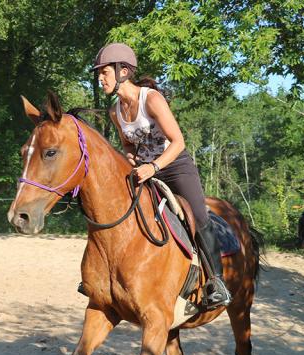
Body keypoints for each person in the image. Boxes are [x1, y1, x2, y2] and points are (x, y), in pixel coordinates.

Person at [90, 42, 231, 308]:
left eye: (104, 72)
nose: (100, 78)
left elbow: (178, 142)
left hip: (175, 166)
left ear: (123, 71)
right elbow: (129, 144)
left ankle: (216, 282)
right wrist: (131, 158)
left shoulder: (151, 98)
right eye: (99, 73)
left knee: (198, 216)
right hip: (144, 170)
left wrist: (153, 167)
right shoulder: (114, 111)